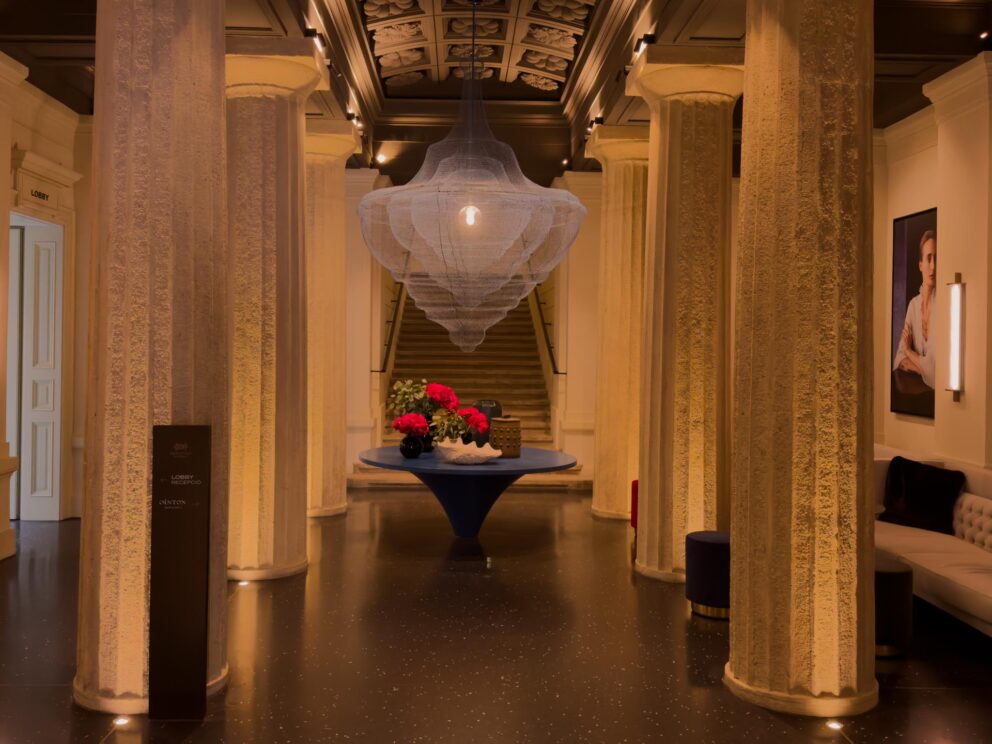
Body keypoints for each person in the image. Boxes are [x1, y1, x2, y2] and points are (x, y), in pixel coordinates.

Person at [893, 229, 936, 388]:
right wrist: (923, 368)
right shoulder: (913, 305)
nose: (933, 266)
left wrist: (910, 353)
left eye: (937, 259)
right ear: (920, 265)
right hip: (915, 396)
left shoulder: (943, 305)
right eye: (929, 258)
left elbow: (936, 373)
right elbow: (898, 359)